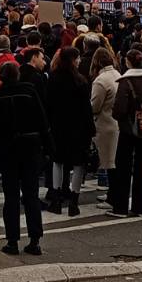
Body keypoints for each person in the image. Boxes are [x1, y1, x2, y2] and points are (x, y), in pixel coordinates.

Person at [0, 58, 52, 255]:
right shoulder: (29, 91)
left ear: (0, 77)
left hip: (8, 148)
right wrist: (49, 147)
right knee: (31, 194)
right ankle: (35, 239)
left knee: (11, 196)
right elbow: (43, 120)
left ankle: (12, 240)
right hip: (31, 146)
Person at [108, 48, 142, 218]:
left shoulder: (125, 82)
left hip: (128, 129)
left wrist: (120, 119)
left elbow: (119, 110)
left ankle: (120, 207)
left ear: (127, 62)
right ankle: (139, 207)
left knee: (123, 167)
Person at [46, 46, 93, 216]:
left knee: (58, 162)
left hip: (59, 126)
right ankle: (74, 200)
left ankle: (56, 199)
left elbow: (49, 105)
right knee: (78, 164)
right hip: (78, 128)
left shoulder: (53, 79)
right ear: (73, 60)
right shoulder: (81, 81)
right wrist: (90, 130)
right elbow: (86, 108)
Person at [89, 46, 121, 190]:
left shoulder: (100, 81)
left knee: (107, 160)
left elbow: (95, 106)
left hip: (104, 123)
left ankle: (110, 192)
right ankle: (112, 191)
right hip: (115, 122)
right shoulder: (117, 74)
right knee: (114, 161)